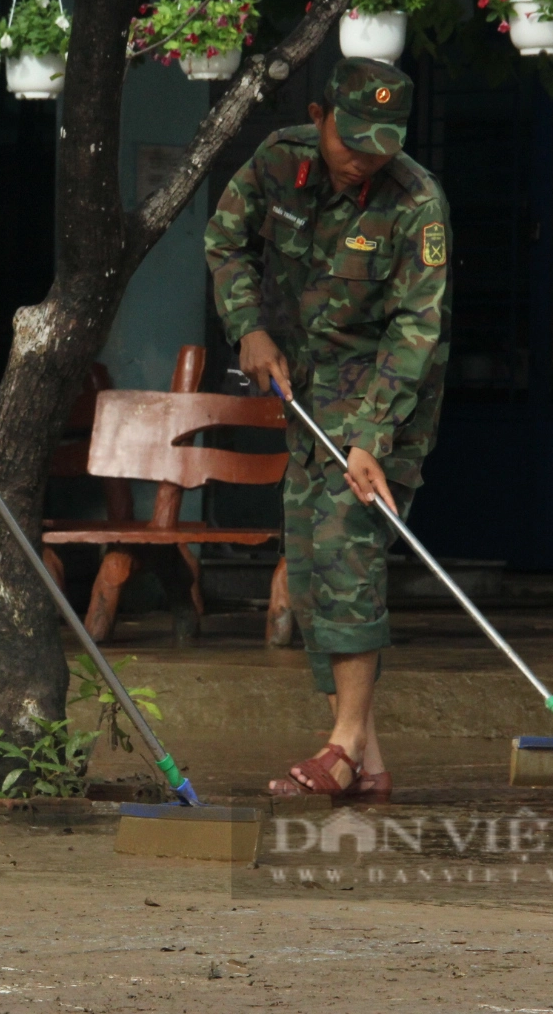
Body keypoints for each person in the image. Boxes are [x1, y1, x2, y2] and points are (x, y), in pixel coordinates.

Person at [204, 57, 450, 801]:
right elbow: (225, 239)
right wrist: (248, 327)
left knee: (347, 549)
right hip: (308, 389)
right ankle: (369, 758)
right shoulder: (281, 159)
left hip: (387, 397)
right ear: (320, 117)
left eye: (382, 145)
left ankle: (341, 749)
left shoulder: (416, 203)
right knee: (309, 569)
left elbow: (418, 329)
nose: (364, 160)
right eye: (352, 142)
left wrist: (373, 436)